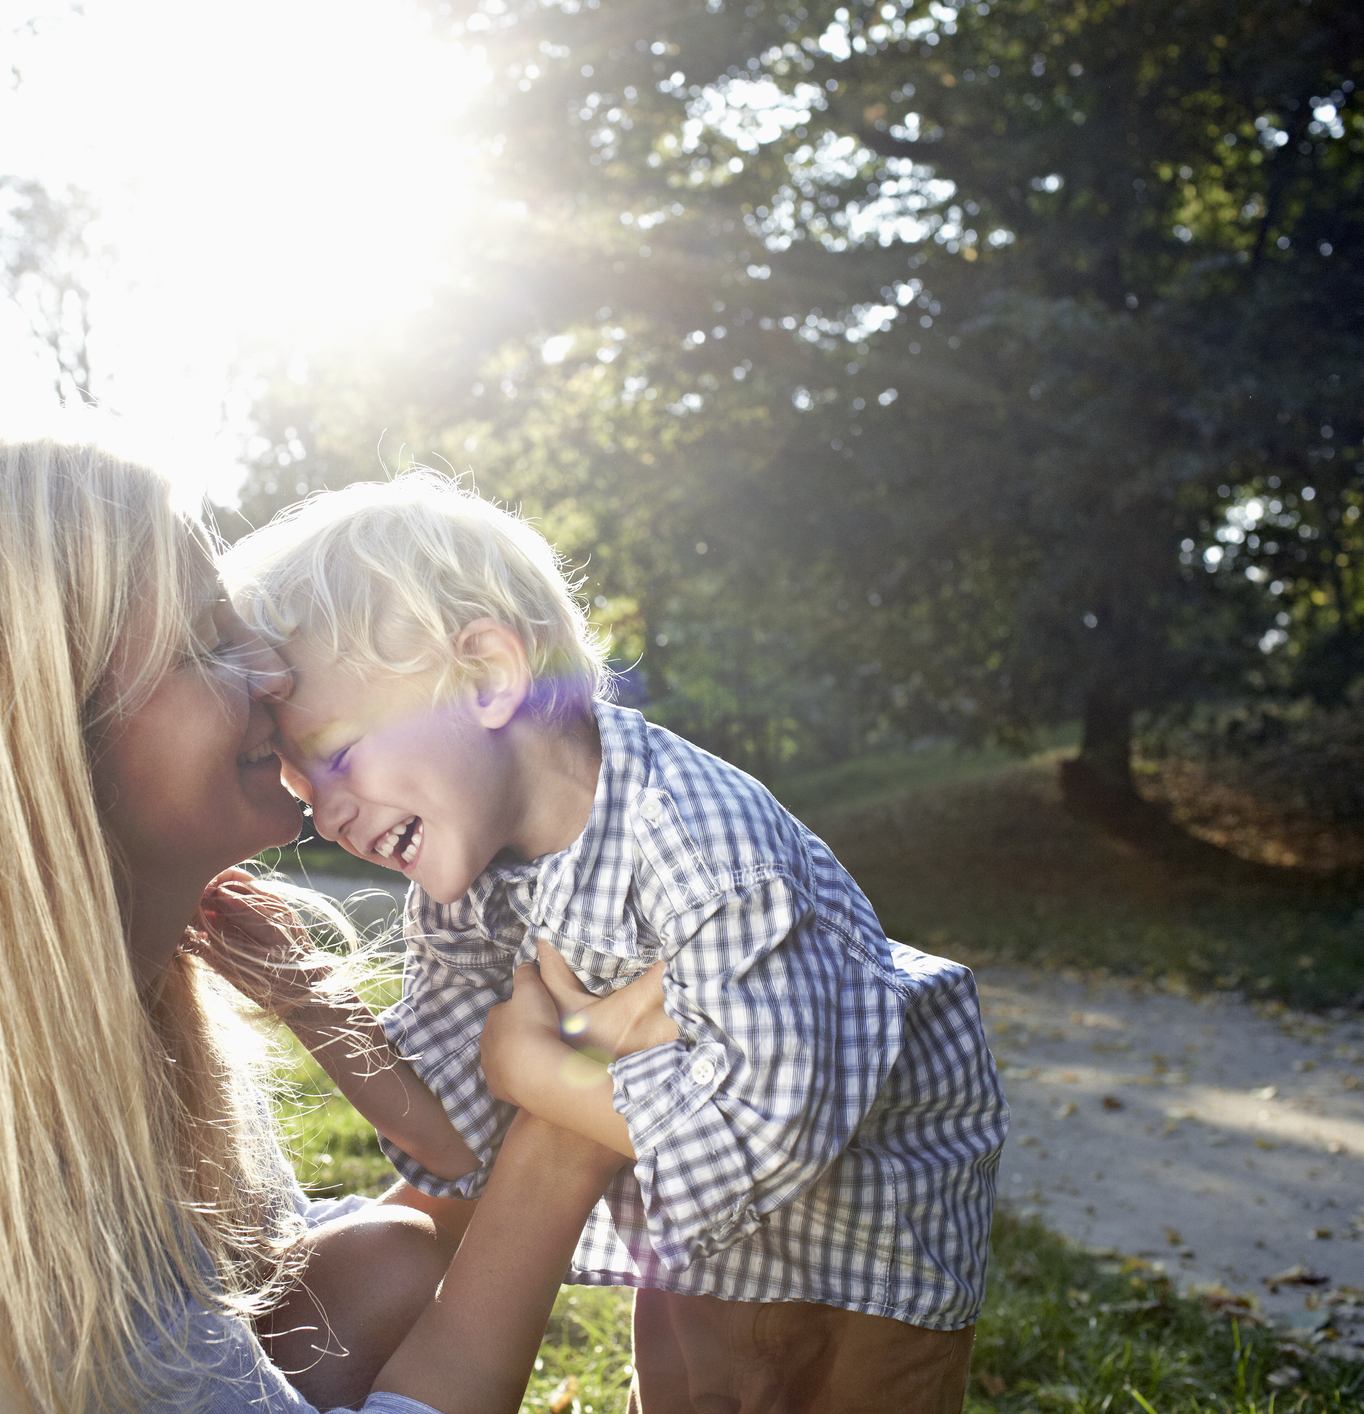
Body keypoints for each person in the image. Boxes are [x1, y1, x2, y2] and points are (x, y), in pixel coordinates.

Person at [0, 428, 643, 1414]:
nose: (276, 671)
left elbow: (241, 1286)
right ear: (44, 747)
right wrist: (562, 1145)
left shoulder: (105, 998)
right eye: (205, 643)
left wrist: (350, 1026)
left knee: (390, 1263)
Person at [221, 472, 1011, 1414]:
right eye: (308, 795)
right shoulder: (469, 881)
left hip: (862, 1250)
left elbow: (769, 1134)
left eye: (340, 757)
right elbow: (451, 1135)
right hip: (697, 1251)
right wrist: (306, 992)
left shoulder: (702, 845)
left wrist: (542, 1077)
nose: (331, 816)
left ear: (486, 677)